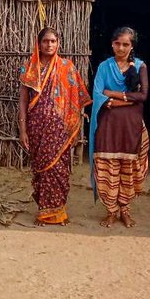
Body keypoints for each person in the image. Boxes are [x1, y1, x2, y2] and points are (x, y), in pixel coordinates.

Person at [19, 27, 92, 226]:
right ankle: (44, 212)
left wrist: (73, 127)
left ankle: (59, 212)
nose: (49, 45)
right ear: (39, 43)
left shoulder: (67, 67)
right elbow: (23, 101)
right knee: (41, 169)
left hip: (60, 129)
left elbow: (76, 100)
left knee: (59, 170)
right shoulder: (29, 67)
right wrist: (23, 130)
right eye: (45, 41)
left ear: (58, 43)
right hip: (36, 127)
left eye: (53, 41)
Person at [89, 27, 150, 228]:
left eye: (126, 44)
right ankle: (111, 211)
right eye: (118, 43)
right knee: (108, 167)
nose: (121, 48)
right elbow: (98, 94)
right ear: (112, 44)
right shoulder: (104, 67)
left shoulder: (140, 66)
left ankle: (125, 209)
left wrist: (113, 95)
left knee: (129, 168)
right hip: (108, 124)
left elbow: (142, 97)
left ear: (131, 46)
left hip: (131, 126)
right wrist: (127, 100)